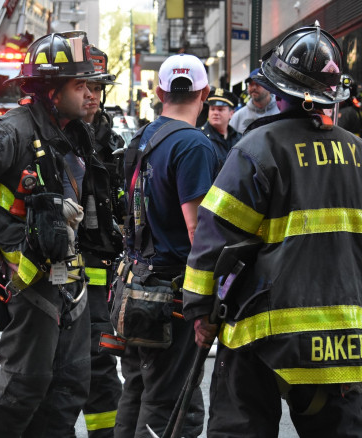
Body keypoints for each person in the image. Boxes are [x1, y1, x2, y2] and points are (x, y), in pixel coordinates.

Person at [183, 23, 362, 437]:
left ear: (278, 91)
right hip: (346, 339)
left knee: (241, 428)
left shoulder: (258, 149)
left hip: (265, 335)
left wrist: (199, 310)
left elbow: (216, 237)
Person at [0, 31, 120, 437]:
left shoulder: (77, 134)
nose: (90, 94)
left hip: (69, 281)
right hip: (31, 281)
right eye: (80, 85)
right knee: (24, 383)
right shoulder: (13, 132)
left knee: (69, 387)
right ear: (51, 90)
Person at [115, 54, 217, 437]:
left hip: (135, 286)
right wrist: (207, 300)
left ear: (158, 92)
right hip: (172, 298)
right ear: (204, 92)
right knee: (174, 406)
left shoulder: (142, 139)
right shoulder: (194, 146)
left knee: (139, 391)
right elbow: (199, 232)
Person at [78, 45, 125, 438]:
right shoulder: (52, 134)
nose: (90, 94)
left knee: (101, 360)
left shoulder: (108, 136)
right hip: (58, 269)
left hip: (104, 267)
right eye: (83, 86)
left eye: (96, 86)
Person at [201, 87, 242, 172]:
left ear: (231, 114)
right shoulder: (201, 137)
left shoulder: (239, 138)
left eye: (220, 109)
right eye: (212, 109)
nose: (215, 113)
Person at [229, 67, 279, 133]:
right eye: (251, 84)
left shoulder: (280, 111)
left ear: (268, 86)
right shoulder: (238, 116)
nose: (254, 88)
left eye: (258, 84)